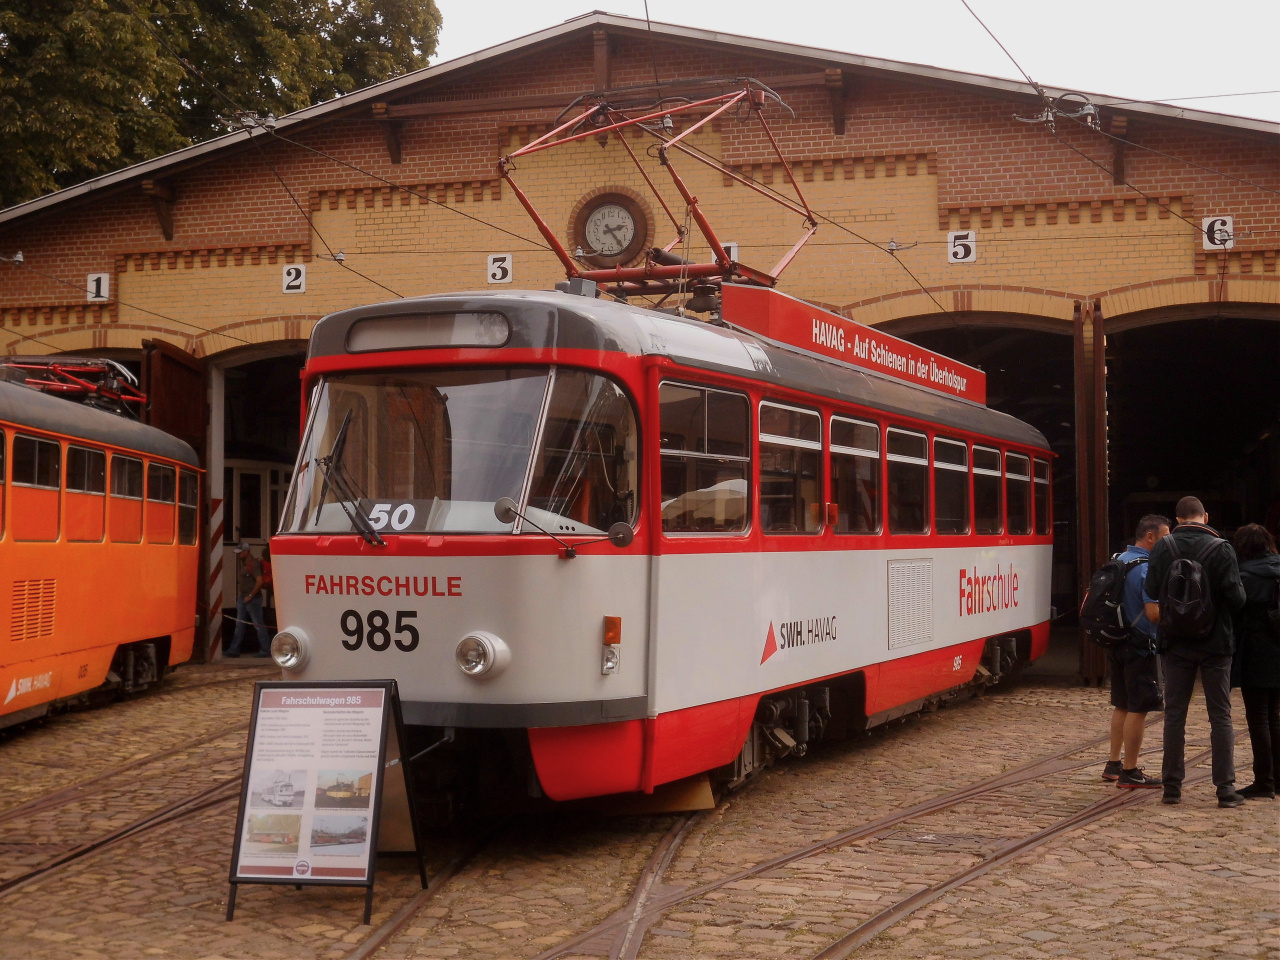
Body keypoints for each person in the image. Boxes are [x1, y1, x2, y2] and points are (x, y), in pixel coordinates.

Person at [1144, 496, 1247, 807]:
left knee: (1175, 714)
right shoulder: (1222, 548)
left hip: (1175, 643)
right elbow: (1237, 599)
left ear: (1177, 519)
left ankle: (1172, 788)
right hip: (1216, 644)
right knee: (1221, 716)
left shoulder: (1164, 547)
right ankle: (1225, 790)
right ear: (1206, 515)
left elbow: (1150, 591)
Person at [1102, 514, 1169, 788]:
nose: (1169, 543)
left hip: (1117, 641)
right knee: (1138, 708)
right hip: (1140, 645)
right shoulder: (1146, 569)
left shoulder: (1120, 559)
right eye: (1166, 537)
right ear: (1151, 537)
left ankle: (1114, 763)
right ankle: (1130, 771)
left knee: (1122, 703)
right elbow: (1153, 614)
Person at [1230, 523, 1280, 799]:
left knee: (1258, 717)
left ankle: (1264, 780)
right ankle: (1278, 778)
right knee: (1275, 716)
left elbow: (1236, 612)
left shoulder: (1245, 576)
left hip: (1256, 652)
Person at [226, 541, 270, 658]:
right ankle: (233, 649)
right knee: (239, 624)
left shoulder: (254, 564)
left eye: (240, 553)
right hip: (244, 597)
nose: (238, 555)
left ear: (246, 552)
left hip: (253, 599)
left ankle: (266, 649)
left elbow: (259, 581)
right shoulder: (245, 563)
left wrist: (250, 596)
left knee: (258, 625)